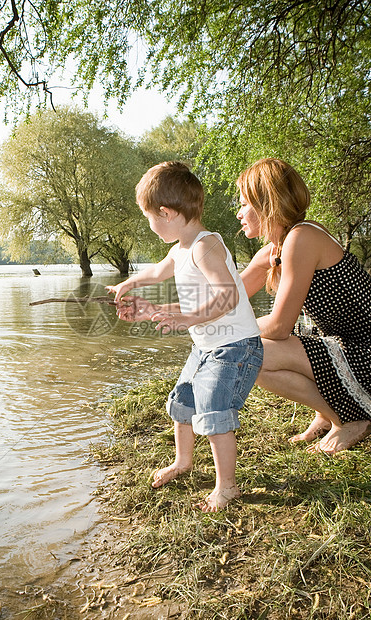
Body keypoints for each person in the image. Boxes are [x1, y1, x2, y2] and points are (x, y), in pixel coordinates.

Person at [108, 161, 263, 511]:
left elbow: (229, 296)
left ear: (166, 213)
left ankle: (227, 487)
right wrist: (130, 285)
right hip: (207, 347)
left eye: (149, 218)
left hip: (234, 347)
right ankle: (183, 461)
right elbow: (159, 272)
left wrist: (189, 317)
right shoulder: (180, 248)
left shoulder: (205, 246)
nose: (151, 226)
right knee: (183, 401)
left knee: (214, 410)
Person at [235, 158, 371, 454]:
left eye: (244, 204)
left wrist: (226, 330)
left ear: (267, 203)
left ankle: (348, 419)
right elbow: (229, 297)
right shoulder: (276, 249)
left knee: (249, 351)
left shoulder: (302, 238)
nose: (239, 213)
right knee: (248, 351)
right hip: (354, 348)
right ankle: (326, 416)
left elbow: (279, 328)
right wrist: (174, 311)